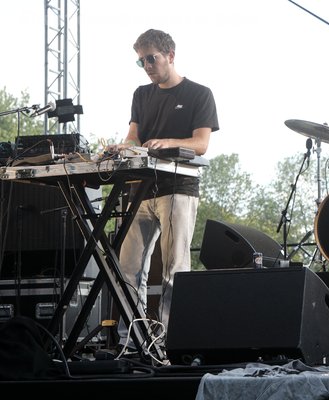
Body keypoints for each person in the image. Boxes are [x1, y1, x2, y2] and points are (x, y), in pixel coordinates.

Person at [109, 28, 219, 347]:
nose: (146, 65)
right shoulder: (141, 94)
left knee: (175, 270)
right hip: (140, 190)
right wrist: (122, 147)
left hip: (178, 188)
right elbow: (134, 136)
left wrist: (168, 141)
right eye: (141, 61)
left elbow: (201, 143)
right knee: (128, 268)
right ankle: (133, 342)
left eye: (151, 58)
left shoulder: (200, 94)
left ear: (170, 56)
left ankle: (170, 342)